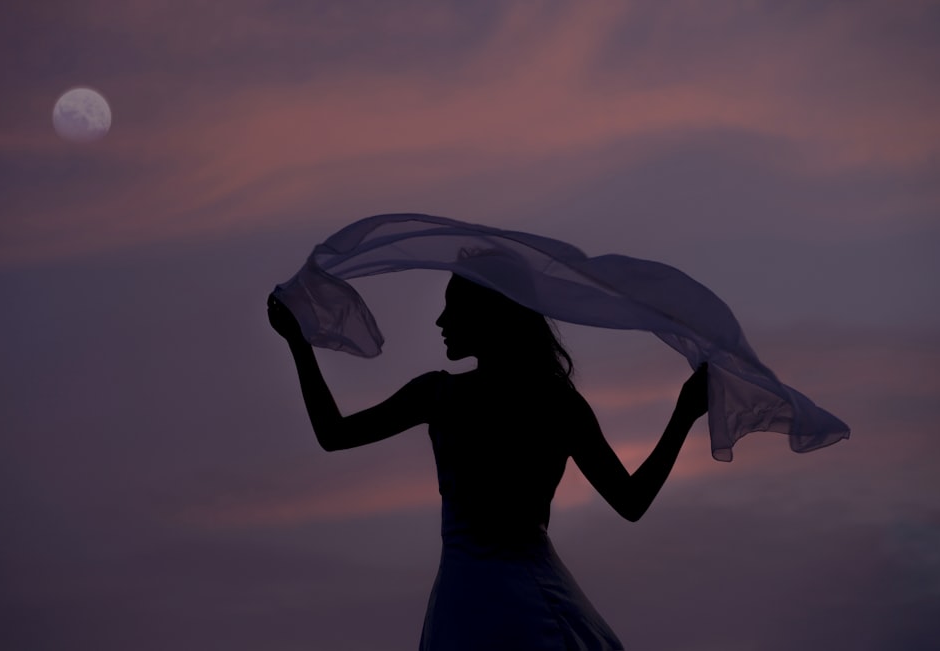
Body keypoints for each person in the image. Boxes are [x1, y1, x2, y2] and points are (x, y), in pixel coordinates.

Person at [268, 273, 708, 650]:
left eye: (453, 308)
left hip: (469, 603)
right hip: (542, 597)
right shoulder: (557, 404)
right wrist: (683, 414)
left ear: (489, 316)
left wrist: (299, 344)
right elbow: (631, 501)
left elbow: (334, 434)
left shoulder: (439, 394)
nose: (440, 321)